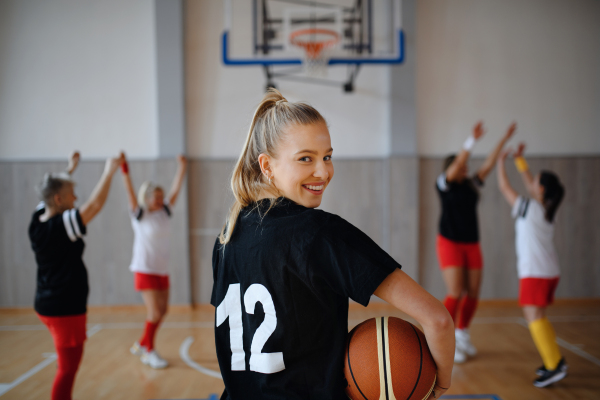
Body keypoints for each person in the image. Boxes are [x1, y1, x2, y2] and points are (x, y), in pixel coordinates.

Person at [211, 89, 454, 400]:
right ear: (267, 165)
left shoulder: (226, 237)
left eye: (327, 156)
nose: (323, 171)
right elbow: (437, 320)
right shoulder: (320, 233)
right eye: (305, 159)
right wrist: (440, 383)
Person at [29, 151, 123, 400]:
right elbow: (94, 206)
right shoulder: (60, 227)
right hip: (64, 309)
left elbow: (51, 190)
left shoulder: (38, 218)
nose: (76, 198)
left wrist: (70, 169)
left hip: (46, 304)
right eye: (72, 194)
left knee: (66, 366)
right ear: (59, 199)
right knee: (67, 369)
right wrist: (109, 171)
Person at [435, 121, 516, 363]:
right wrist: (471, 141)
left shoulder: (471, 185)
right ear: (450, 169)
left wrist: (504, 137)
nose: (465, 168)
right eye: (460, 166)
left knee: (473, 293)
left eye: (465, 166)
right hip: (449, 242)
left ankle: (462, 335)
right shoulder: (444, 184)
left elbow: (489, 164)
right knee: (455, 291)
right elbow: (459, 162)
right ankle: (444, 336)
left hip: (472, 243)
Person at [496, 141, 567, 387]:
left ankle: (553, 365)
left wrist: (500, 162)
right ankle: (554, 361)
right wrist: (520, 160)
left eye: (535, 181)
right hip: (549, 272)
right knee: (539, 316)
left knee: (533, 317)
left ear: (542, 189)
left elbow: (504, 186)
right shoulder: (547, 208)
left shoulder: (528, 207)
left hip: (535, 273)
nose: (531, 183)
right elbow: (529, 184)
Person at [120, 153, 188, 369]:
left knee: (163, 310)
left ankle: (142, 343)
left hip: (162, 269)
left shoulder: (165, 212)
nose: (160, 200)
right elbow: (129, 191)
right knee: (155, 312)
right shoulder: (139, 215)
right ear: (146, 199)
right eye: (156, 198)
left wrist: (182, 167)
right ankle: (149, 351)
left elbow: (176, 189)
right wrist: (124, 169)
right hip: (144, 269)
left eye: (161, 196)